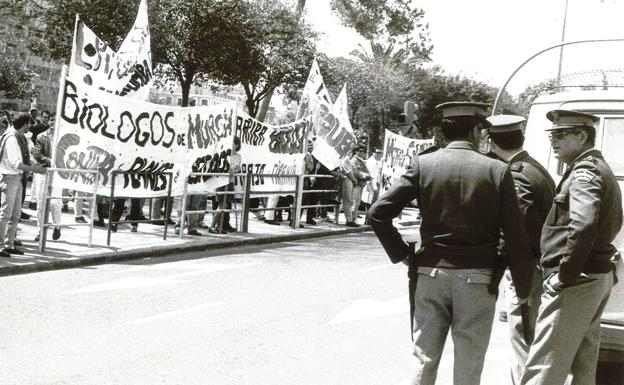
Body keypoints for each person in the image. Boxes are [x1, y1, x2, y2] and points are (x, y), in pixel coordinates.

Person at [368, 101, 533, 385]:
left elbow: (377, 214)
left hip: (430, 272)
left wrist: (402, 254)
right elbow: (516, 236)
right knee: (469, 361)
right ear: (477, 131)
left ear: (445, 132)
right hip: (478, 278)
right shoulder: (497, 169)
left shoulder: (424, 163)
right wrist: (523, 286)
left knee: (424, 358)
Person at [520, 110, 623, 385]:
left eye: (561, 134)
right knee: (583, 361)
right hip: (593, 275)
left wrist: (564, 274)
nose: (554, 140)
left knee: (544, 365)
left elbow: (584, 224)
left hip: (577, 279)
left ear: (581, 136)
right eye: (552, 135)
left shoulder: (585, 171)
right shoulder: (596, 167)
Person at [486, 114, 555, 384]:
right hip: (537, 264)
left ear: (492, 142)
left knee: (522, 339)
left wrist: (515, 270)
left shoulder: (516, 174)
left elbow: (521, 226)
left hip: (527, 267)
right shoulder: (533, 166)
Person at [0, 114, 46, 257]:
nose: (29, 127)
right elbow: (16, 163)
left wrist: (36, 164)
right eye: (28, 124)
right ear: (24, 124)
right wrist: (35, 169)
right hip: (9, 176)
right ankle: (1, 245)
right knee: (6, 213)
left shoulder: (20, 137)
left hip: (17, 177)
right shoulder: (12, 138)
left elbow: (27, 156)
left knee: (16, 214)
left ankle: (9, 243)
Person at [31, 115, 62, 241]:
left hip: (58, 174)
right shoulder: (41, 136)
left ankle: (57, 226)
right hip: (44, 171)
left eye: (57, 120)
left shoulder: (64, 137)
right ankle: (41, 229)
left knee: (55, 202)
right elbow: (37, 154)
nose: (54, 122)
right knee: (40, 201)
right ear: (49, 121)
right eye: (52, 119)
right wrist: (50, 161)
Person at [339, 151, 359, 227]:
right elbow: (348, 171)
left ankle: (350, 218)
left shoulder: (347, 158)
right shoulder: (346, 158)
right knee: (347, 200)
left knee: (350, 200)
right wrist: (354, 179)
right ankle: (349, 220)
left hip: (349, 179)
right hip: (347, 179)